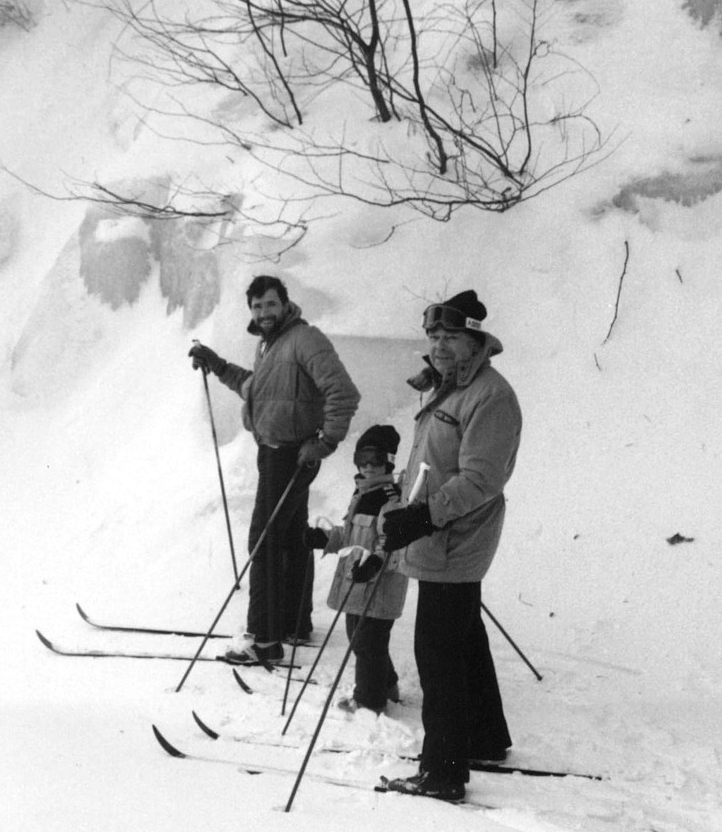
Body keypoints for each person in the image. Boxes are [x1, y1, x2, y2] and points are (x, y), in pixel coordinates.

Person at [381, 289, 522, 803]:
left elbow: (481, 479)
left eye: (451, 337)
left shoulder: (490, 397)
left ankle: (442, 772)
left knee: (437, 652)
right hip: (438, 531)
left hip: (455, 537)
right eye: (434, 337)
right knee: (463, 640)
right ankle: (484, 737)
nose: (439, 346)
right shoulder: (449, 388)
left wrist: (421, 515)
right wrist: (403, 503)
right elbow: (429, 459)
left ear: (475, 341)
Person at [188, 275, 360, 665]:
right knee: (290, 537)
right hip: (276, 454)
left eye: (270, 304)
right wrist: (216, 365)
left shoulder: (304, 339)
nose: (263, 313)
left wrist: (325, 441)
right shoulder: (270, 345)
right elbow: (258, 388)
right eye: (256, 306)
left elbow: (343, 392)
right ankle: (292, 623)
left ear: (285, 304)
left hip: (291, 456)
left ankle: (263, 640)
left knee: (263, 542)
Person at [307, 424, 407, 714]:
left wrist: (375, 562)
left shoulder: (390, 498)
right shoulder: (361, 494)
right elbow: (352, 537)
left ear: (388, 460)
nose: (367, 466)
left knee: (367, 643)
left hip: (378, 586)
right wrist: (324, 538)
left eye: (374, 458)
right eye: (360, 459)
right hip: (358, 584)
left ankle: (369, 700)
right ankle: (387, 685)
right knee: (362, 639)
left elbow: (394, 542)